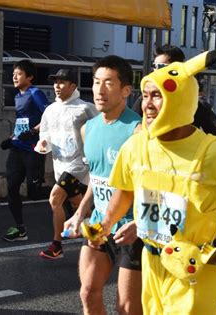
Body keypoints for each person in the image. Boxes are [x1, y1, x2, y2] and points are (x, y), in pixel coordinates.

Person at [92, 48, 216, 314]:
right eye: (146, 95)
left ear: (180, 99)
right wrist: (105, 223)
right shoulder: (136, 146)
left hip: (196, 267)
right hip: (152, 261)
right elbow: (125, 191)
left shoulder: (213, 152)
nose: (147, 104)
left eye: (158, 96)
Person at [63, 55, 142, 314]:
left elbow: (156, 186)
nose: (100, 89)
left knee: (128, 308)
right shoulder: (88, 128)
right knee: (87, 292)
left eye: (109, 83)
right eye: (96, 82)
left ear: (126, 90)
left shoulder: (137, 131)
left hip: (132, 228)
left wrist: (141, 223)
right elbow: (97, 181)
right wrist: (79, 213)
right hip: (99, 224)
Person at [133, 44, 216, 242]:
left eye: (163, 67)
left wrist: (195, 144)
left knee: (197, 218)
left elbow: (215, 128)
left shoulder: (190, 101)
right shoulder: (146, 98)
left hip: (188, 165)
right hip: (155, 163)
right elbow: (132, 123)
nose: (157, 72)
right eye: (155, 67)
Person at [35, 69, 97, 259]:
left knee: (54, 198)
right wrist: (43, 143)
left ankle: (56, 245)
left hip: (79, 164)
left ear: (73, 86)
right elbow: (44, 134)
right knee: (77, 203)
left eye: (62, 82)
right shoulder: (50, 110)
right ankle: (98, 234)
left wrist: (93, 157)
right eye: (55, 82)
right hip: (59, 164)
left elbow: (98, 131)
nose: (57, 86)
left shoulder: (85, 108)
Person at [1, 59, 50, 242]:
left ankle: (67, 194)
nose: (14, 76)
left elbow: (48, 115)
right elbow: (22, 120)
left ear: (29, 77)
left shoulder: (35, 92)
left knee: (34, 192)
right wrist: (12, 138)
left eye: (19, 73)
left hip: (33, 148)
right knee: (12, 188)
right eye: (13, 73)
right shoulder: (17, 95)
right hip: (18, 148)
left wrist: (33, 131)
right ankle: (20, 228)